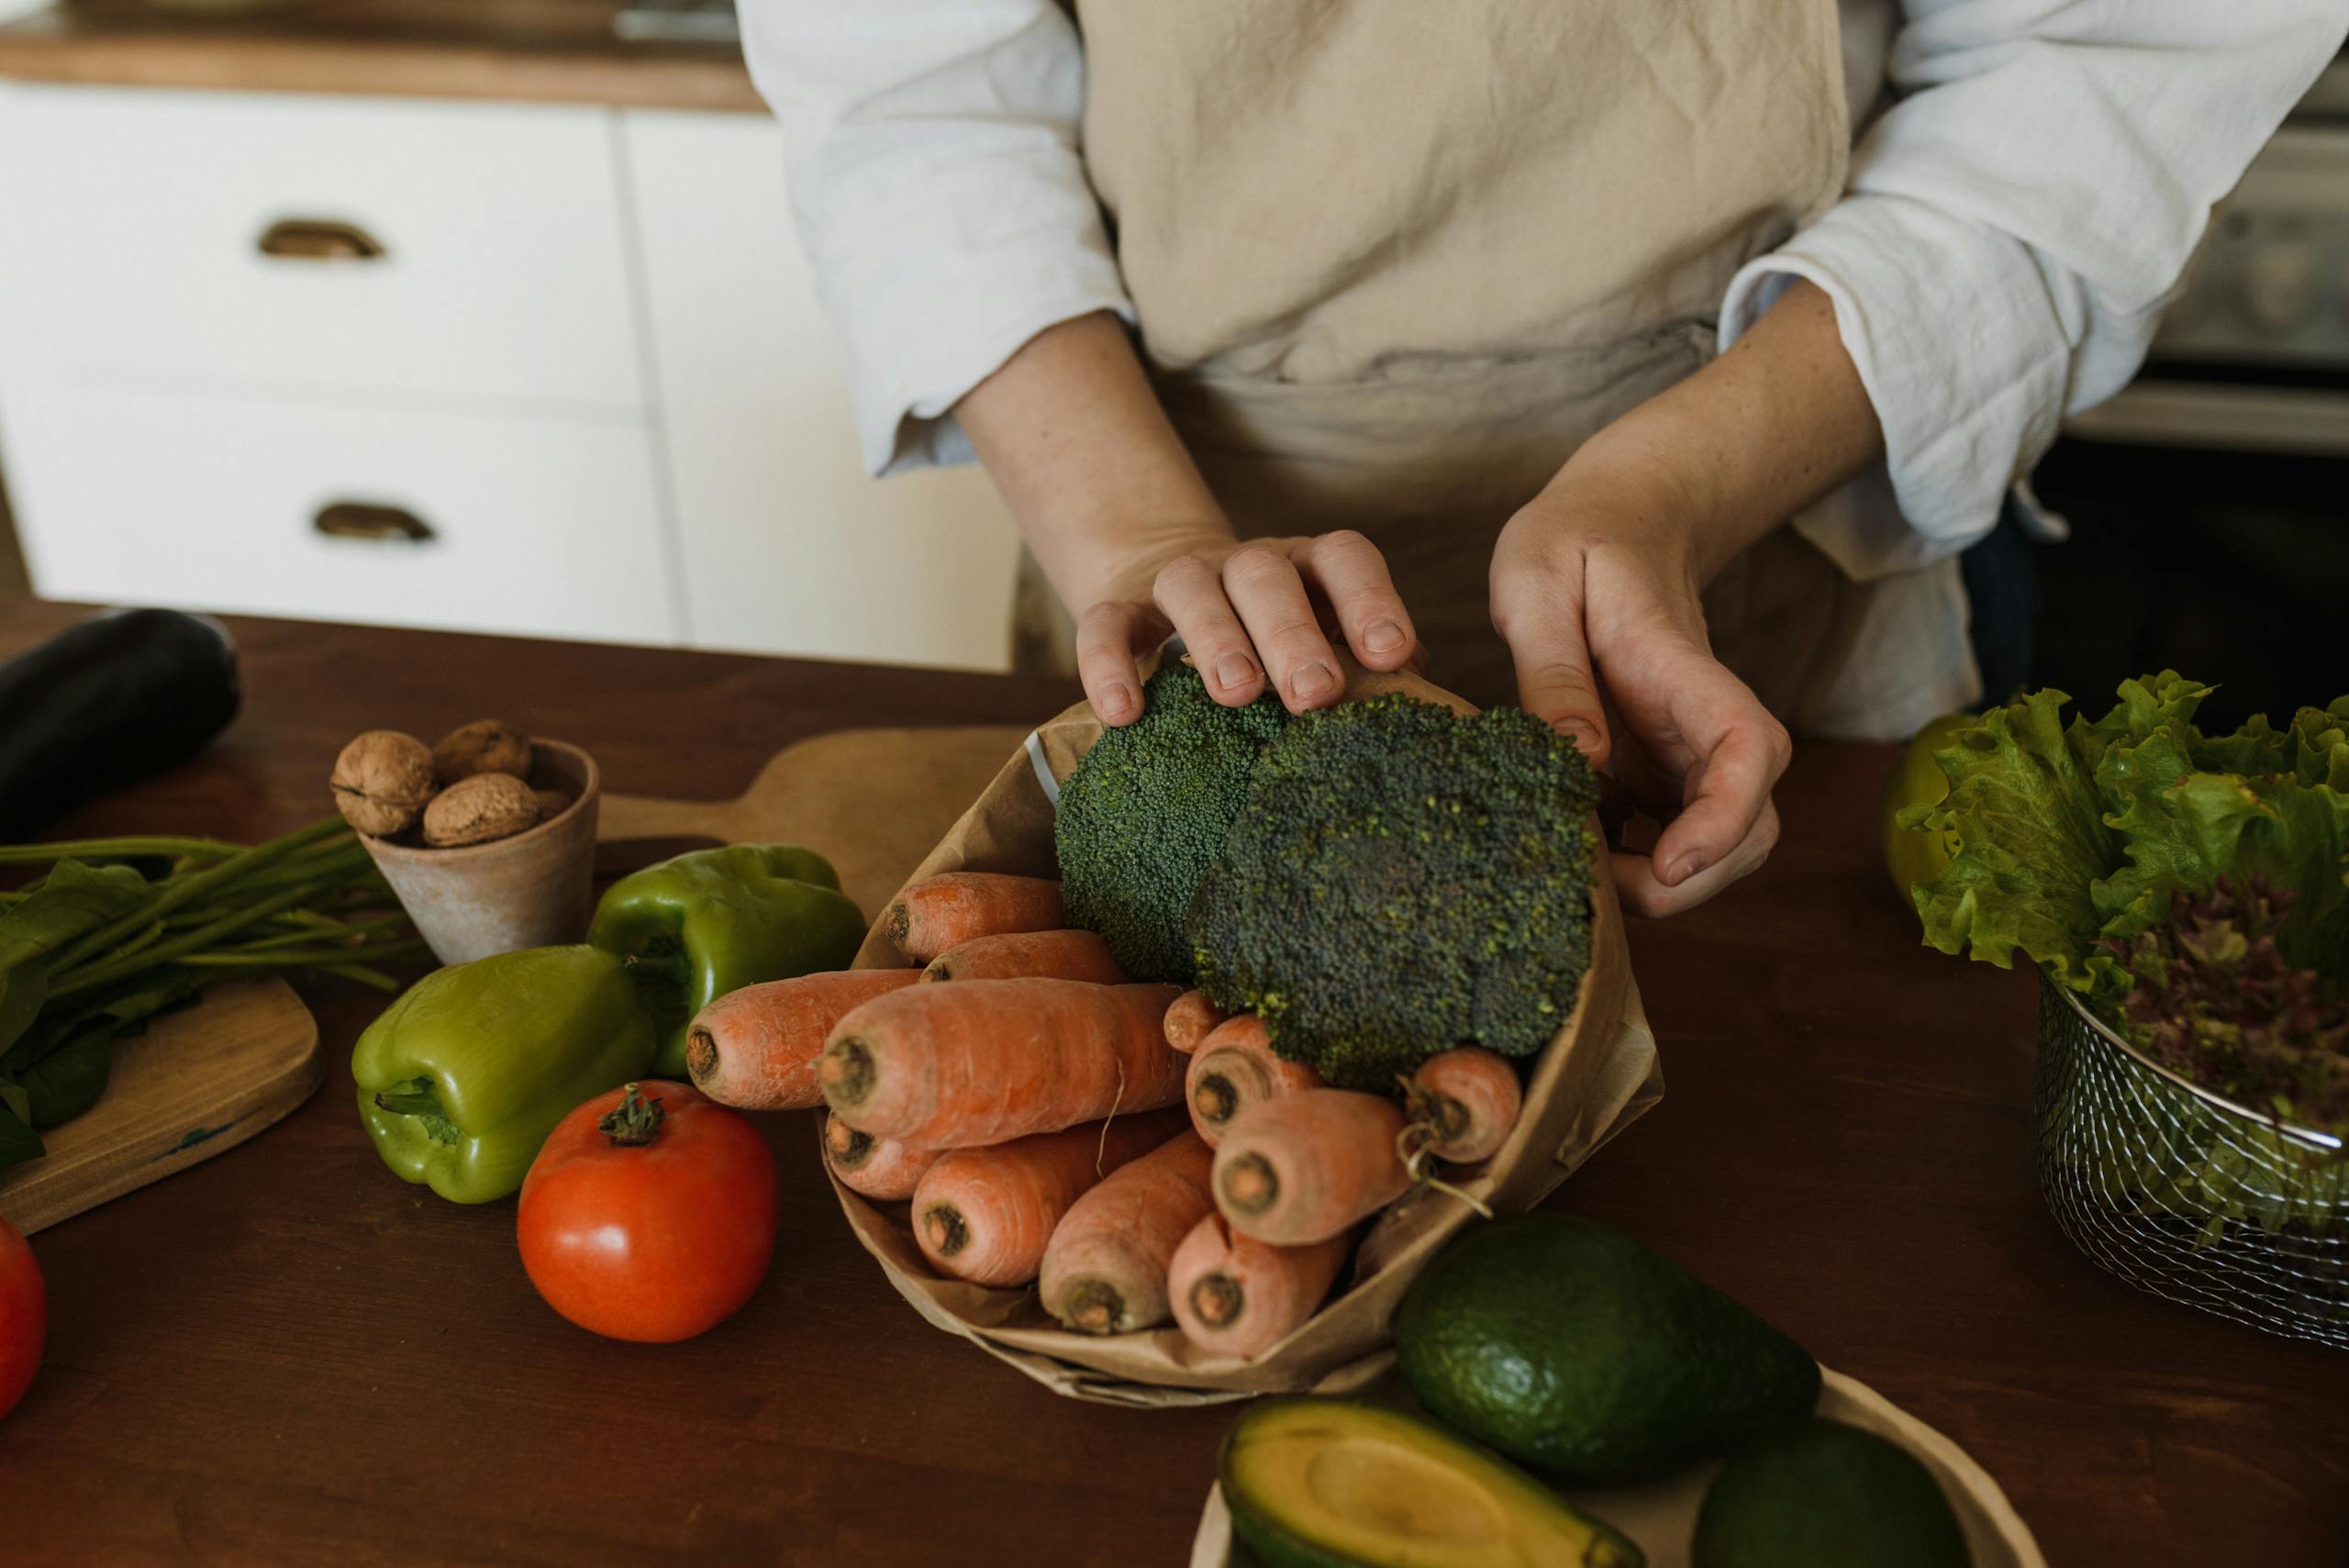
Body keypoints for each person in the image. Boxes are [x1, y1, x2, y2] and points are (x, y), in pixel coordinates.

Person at [742, 2, 2343, 915]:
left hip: (1774, 505)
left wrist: (1672, 488)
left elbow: (2096, 75)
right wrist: (1135, 532)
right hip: (1157, 509)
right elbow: (910, 103)